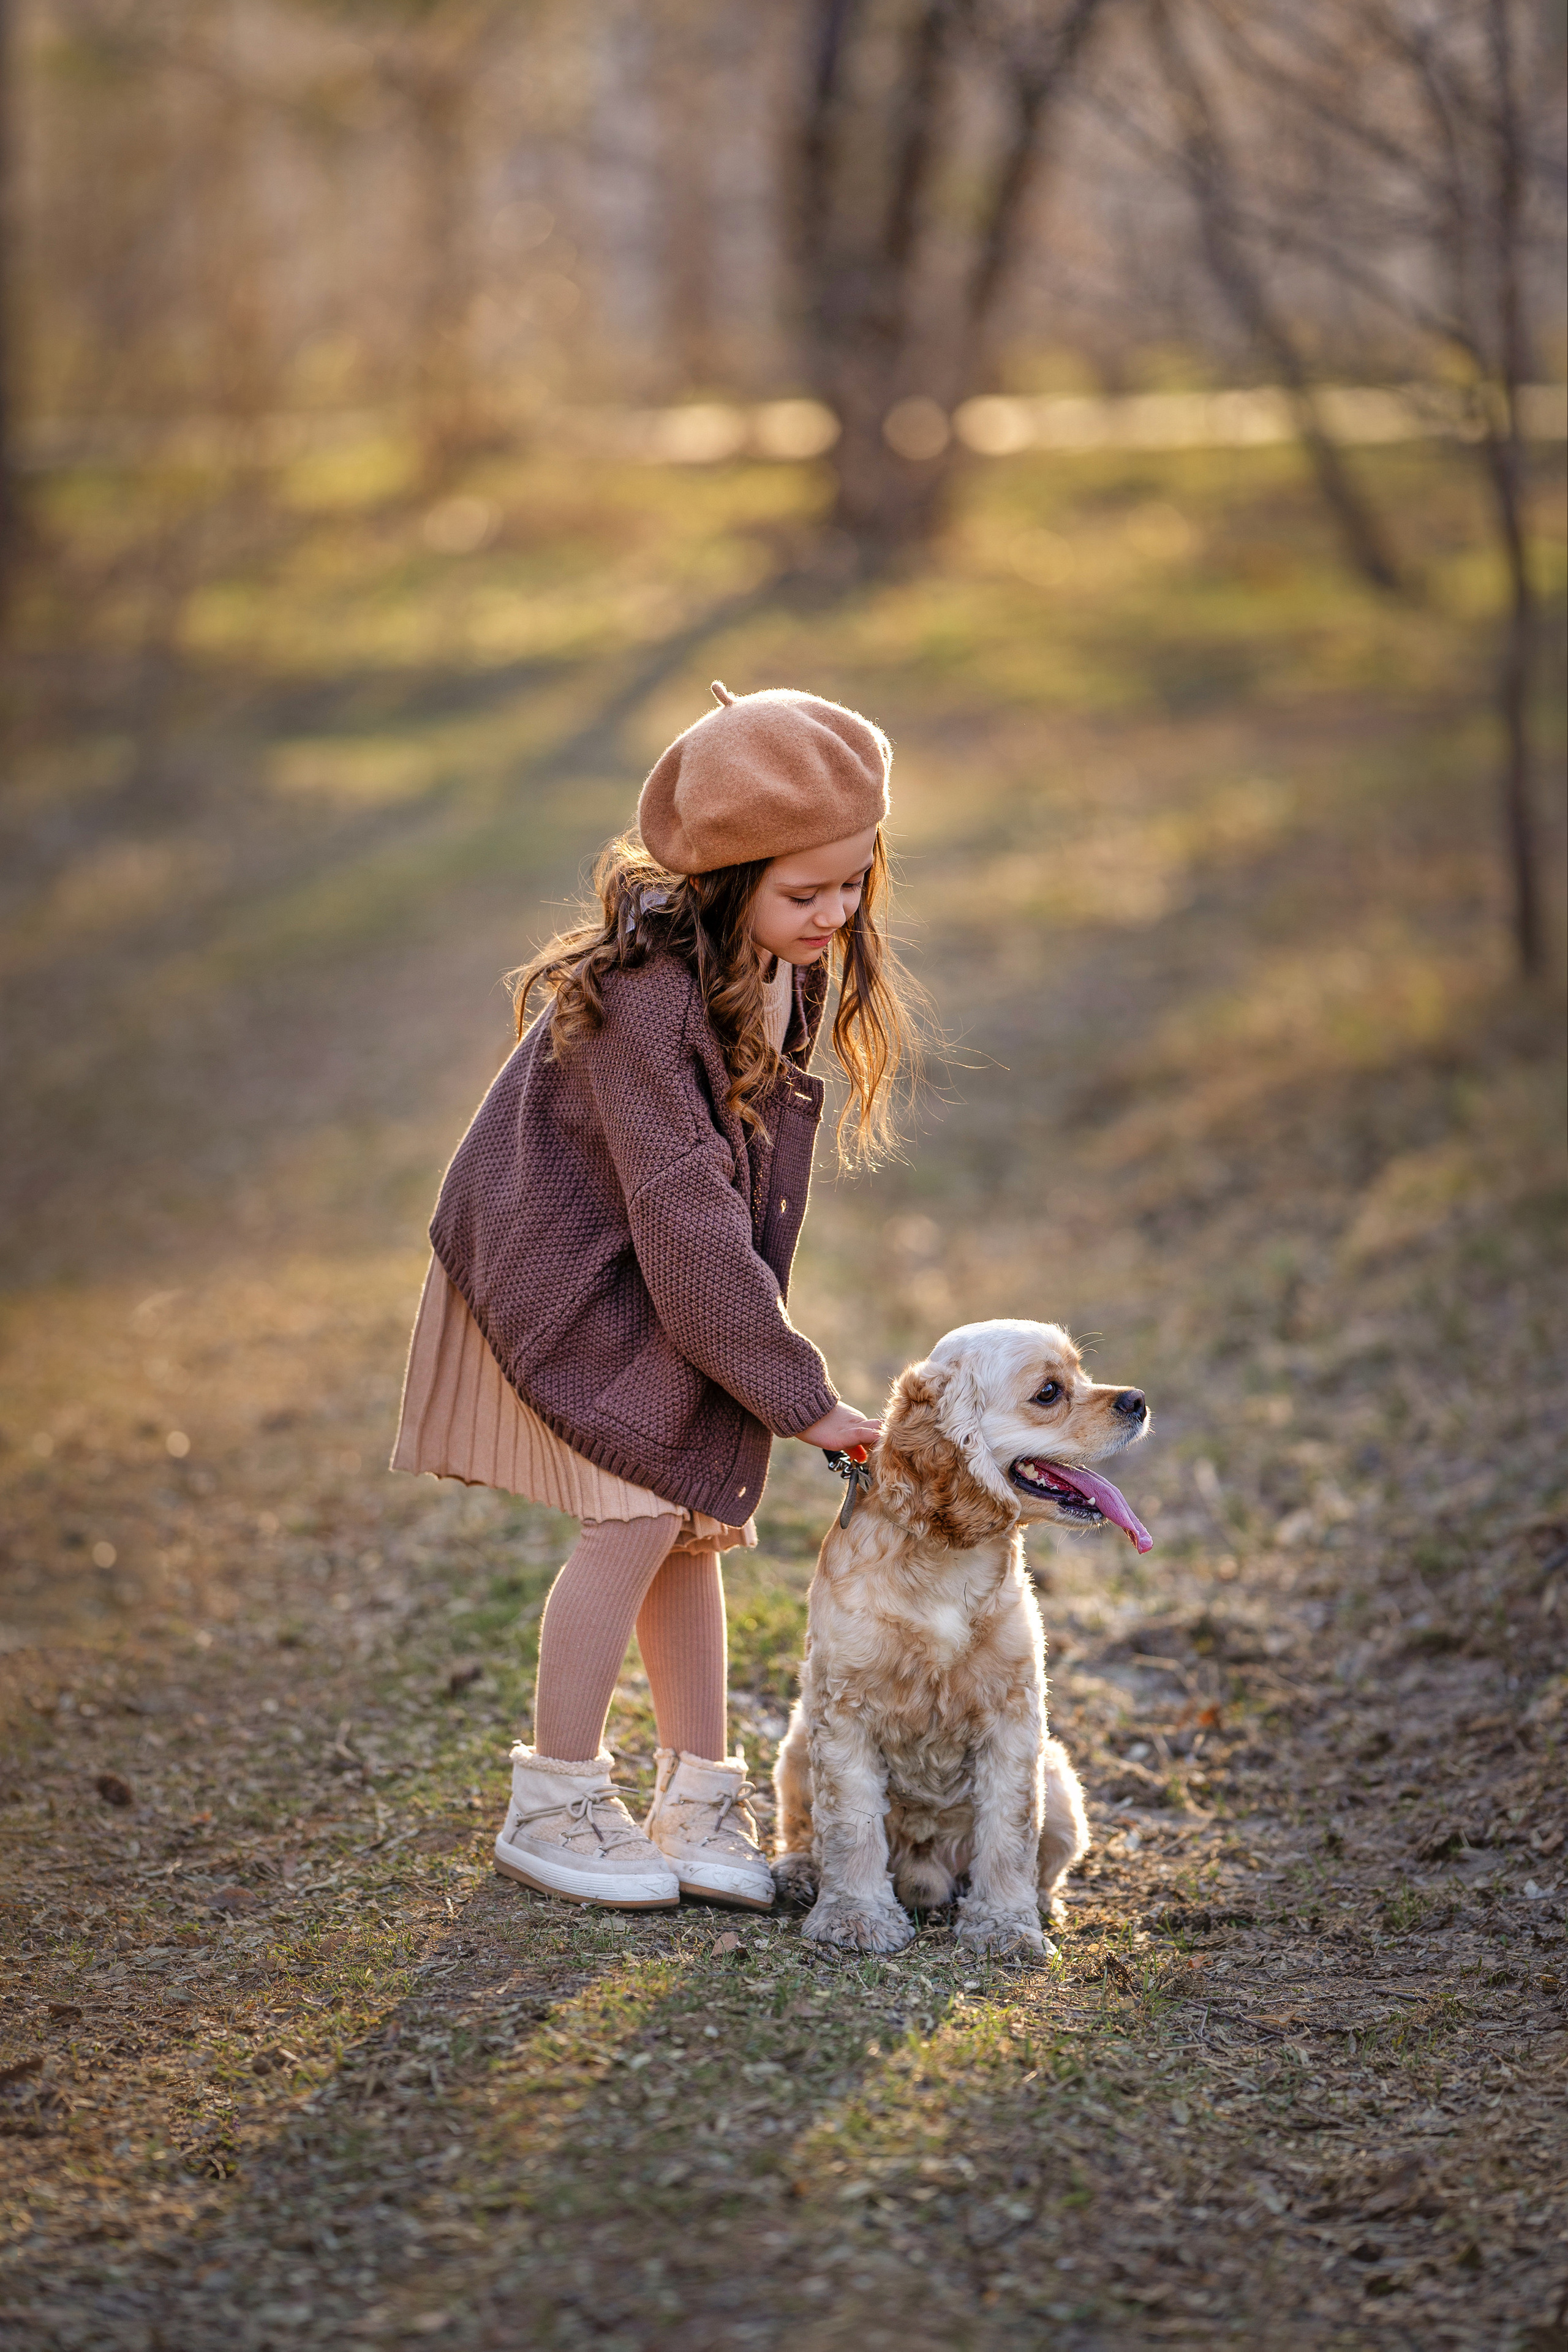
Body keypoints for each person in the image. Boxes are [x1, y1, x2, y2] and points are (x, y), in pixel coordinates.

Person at [392, 680, 920, 1912]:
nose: (836, 914)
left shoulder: (775, 969)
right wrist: (799, 1399)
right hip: (569, 1275)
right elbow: (684, 1220)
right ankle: (555, 1800)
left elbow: (704, 1226)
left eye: (854, 884)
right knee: (633, 1517)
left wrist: (755, 1372)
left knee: (692, 1524)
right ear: (728, 882)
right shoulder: (645, 1002)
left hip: (660, 1276)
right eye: (806, 893)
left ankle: (696, 1795)